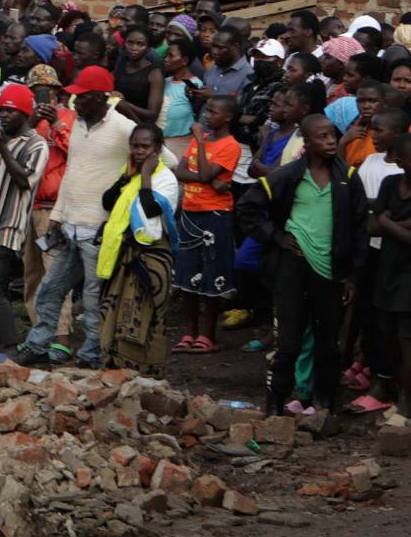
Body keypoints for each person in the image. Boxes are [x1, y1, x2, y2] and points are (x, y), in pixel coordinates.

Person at [239, 115, 365, 426]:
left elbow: (361, 227)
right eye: (322, 137)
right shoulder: (288, 174)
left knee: (327, 344)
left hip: (331, 272)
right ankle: (275, 404)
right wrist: (277, 237)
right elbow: (247, 207)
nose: (331, 141)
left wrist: (353, 275)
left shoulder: (347, 177)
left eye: (332, 135)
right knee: (289, 343)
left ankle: (325, 406)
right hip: (293, 268)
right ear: (307, 144)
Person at [16, 65, 135, 368]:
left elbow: (163, 159)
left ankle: (92, 353)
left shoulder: (123, 127)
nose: (74, 101)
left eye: (80, 97)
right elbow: (72, 173)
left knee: (93, 298)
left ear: (99, 98)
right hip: (68, 224)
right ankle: (39, 344)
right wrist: (58, 213)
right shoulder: (79, 125)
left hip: (98, 228)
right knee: (49, 289)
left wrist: (125, 189)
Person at [0, 82, 49, 359]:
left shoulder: (37, 144)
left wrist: (3, 147)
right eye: (1, 110)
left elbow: (25, 181)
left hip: (8, 225)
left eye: (10, 112)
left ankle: (9, 347)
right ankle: (5, 344)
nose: (3, 116)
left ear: (26, 114)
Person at [96, 123, 181, 372]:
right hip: (125, 254)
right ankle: (115, 365)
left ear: (157, 148)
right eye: (135, 146)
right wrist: (127, 177)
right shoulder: (129, 173)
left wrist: (145, 177)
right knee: (117, 306)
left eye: (145, 146)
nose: (139, 151)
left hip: (152, 255)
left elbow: (152, 208)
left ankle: (145, 368)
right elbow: (107, 201)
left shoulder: (166, 178)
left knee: (145, 311)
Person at [171, 96, 241, 354]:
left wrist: (200, 143)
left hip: (215, 215)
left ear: (227, 117)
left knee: (214, 272)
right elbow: (181, 171)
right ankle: (189, 332)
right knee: (188, 271)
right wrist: (207, 179)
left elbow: (202, 173)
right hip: (190, 213)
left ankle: (208, 335)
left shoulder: (230, 146)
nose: (207, 115)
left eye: (213, 111)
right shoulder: (198, 143)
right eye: (207, 110)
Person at [25, 65, 77, 336]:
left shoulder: (70, 117)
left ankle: (60, 334)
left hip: (55, 208)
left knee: (55, 272)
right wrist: (32, 122)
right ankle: (38, 330)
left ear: (58, 91)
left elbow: (76, 153)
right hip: (28, 205)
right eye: (37, 91)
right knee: (32, 273)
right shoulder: (27, 120)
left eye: (47, 90)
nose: (43, 95)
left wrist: (56, 123)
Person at [363, 133, 411, 419]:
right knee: (388, 337)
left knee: (407, 341)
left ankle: (406, 403)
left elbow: (380, 222)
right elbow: (371, 227)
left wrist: (386, 221)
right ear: (403, 162)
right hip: (388, 272)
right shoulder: (390, 183)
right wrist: (397, 225)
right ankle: (392, 389)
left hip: (408, 279)